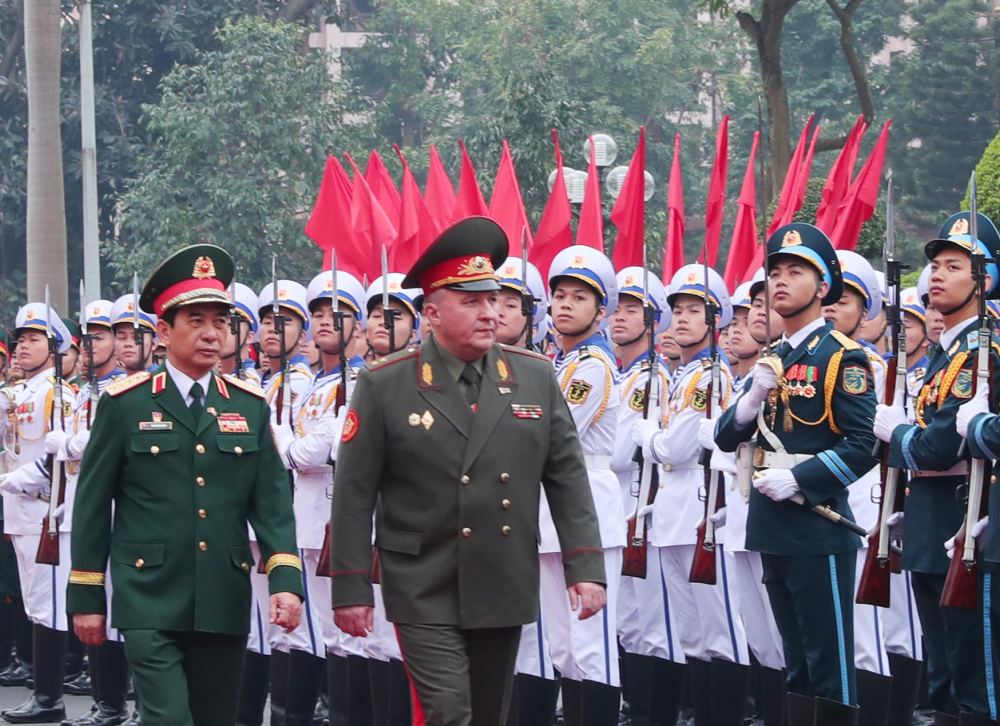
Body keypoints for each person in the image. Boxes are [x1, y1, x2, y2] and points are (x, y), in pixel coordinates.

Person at [330, 217, 607, 726]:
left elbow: (567, 477)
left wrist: (585, 566)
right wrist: (349, 587)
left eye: (495, 300)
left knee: (485, 715)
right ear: (432, 312)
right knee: (449, 713)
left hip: (501, 573)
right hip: (422, 579)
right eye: (472, 301)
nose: (490, 313)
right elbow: (353, 492)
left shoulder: (534, 376)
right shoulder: (385, 384)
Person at [67, 244, 304, 726]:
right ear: (163, 331)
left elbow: (272, 505)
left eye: (221, 322)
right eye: (195, 321)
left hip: (222, 590)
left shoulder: (249, 406)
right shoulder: (125, 404)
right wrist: (87, 596)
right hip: (148, 591)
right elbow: (92, 506)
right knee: (169, 717)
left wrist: (286, 581)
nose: (212, 334)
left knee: (216, 717)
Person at [716, 223, 878, 726]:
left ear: (824, 285)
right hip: (769, 520)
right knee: (796, 664)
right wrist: (751, 398)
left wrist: (804, 478)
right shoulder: (773, 357)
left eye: (796, 271)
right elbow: (727, 436)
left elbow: (865, 442)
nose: (781, 282)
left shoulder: (841, 355)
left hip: (816, 522)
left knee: (828, 664)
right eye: (775, 273)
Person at [874, 212, 1000, 725]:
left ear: (984, 280)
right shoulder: (948, 355)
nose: (938, 275)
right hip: (930, 519)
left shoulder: (982, 352)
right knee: (943, 674)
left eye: (955, 265)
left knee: (974, 678)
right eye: (936, 266)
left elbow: (937, 448)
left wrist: (896, 433)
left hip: (961, 522)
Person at [632, 263, 751, 726]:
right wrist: (660, 441)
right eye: (676, 310)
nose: (681, 318)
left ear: (714, 319)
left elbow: (676, 446)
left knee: (722, 632)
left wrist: (649, 438)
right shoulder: (683, 375)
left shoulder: (710, 376)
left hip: (703, 508)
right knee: (693, 636)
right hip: (672, 512)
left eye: (694, 310)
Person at [273, 269, 369, 726]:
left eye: (337, 313)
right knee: (309, 633)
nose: (324, 320)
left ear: (360, 324)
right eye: (318, 313)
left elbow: (325, 448)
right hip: (305, 517)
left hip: (340, 520)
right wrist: (295, 448)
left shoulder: (363, 381)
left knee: (347, 636)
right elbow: (305, 448)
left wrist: (290, 447)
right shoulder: (316, 383)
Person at [544, 245, 625, 723]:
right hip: (550, 506)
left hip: (587, 502)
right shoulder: (558, 363)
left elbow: (550, 432)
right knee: (563, 647)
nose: (566, 304)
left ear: (601, 310)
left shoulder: (593, 366)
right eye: (560, 295)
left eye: (580, 296)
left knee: (592, 646)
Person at [608, 267, 686, 726]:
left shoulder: (649, 378)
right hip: (620, 508)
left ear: (653, 320)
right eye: (616, 308)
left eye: (632, 309)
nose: (620, 317)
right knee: (631, 627)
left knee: (657, 629)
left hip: (643, 507)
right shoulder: (625, 374)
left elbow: (619, 452)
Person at [823, 250, 894, 725]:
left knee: (866, 635)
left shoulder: (863, 363)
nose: (832, 308)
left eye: (845, 300)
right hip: (823, 503)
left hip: (861, 501)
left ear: (864, 312)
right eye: (828, 297)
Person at [0, 306, 74, 723]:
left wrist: (23, 480)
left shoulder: (57, 393)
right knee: (34, 605)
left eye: (33, 339)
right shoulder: (21, 393)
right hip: (21, 515)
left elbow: (61, 456)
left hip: (48, 512)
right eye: (20, 340)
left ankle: (49, 698)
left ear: (54, 346)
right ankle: (42, 692)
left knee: (47, 605)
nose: (22, 347)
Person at [361, 272, 421, 726]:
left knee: (409, 641)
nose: (382, 324)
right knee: (377, 639)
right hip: (374, 523)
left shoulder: (421, 376)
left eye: (395, 316)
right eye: (376, 316)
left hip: (413, 527)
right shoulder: (368, 379)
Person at [254, 278, 313, 723]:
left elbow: (305, 451)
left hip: (299, 514)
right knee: (271, 632)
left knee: (303, 631)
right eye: (266, 323)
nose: (272, 330)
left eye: (285, 322)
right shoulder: (265, 382)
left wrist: (283, 440)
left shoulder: (299, 384)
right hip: (268, 517)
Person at [219, 282, 261, 386]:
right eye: (219, 323)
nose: (222, 331)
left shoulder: (248, 383)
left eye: (230, 325)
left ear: (249, 337)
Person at [109, 295, 157, 374]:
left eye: (137, 338)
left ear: (154, 344)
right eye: (122, 338)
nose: (128, 344)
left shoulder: (166, 382)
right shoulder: (115, 385)